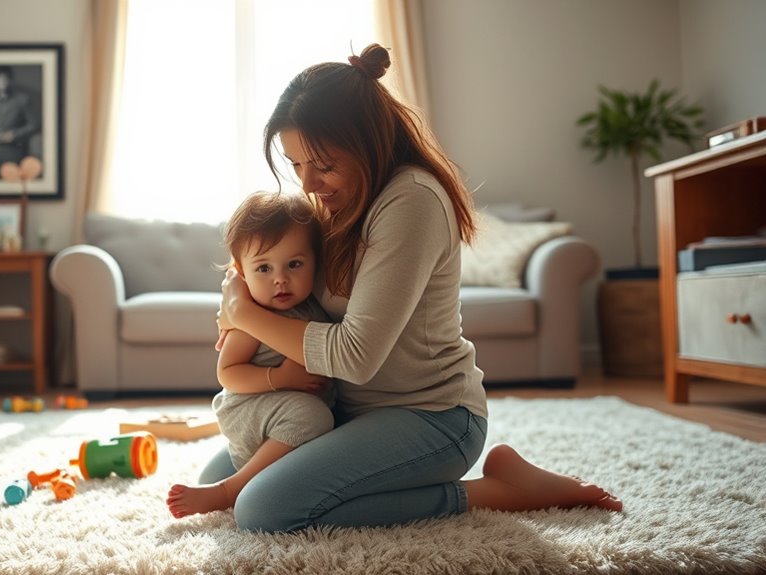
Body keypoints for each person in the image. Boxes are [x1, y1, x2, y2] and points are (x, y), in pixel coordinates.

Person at [206, 44, 623, 532]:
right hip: (346, 411)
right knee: (216, 484)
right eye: (296, 165)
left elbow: (354, 356)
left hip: (432, 416)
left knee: (263, 509)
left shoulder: (412, 201)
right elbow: (270, 276)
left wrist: (244, 315)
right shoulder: (337, 200)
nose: (309, 183)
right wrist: (238, 306)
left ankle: (499, 491)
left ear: (366, 142)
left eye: (323, 164)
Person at [167, 191, 335, 519]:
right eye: (263, 268)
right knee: (313, 417)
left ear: (316, 261)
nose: (280, 279)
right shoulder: (252, 319)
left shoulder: (313, 306)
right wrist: (280, 377)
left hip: (281, 415)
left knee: (316, 419)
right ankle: (228, 490)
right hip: (249, 409)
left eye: (295, 264)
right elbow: (228, 373)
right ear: (241, 273)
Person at [0, 66, 38, 176]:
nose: (2, 82)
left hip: (14, 153)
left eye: (5, 79)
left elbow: (34, 125)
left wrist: (14, 134)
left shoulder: (23, 99)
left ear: (11, 81)